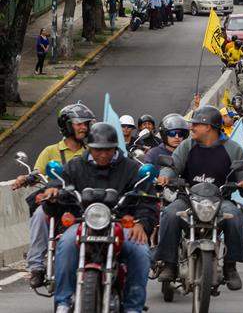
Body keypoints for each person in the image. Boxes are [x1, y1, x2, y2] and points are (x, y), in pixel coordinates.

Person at [45, 122, 156, 313]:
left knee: (141, 252)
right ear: (89, 147)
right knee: (64, 245)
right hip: (82, 222)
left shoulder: (130, 169)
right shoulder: (74, 167)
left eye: (108, 149)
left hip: (122, 223)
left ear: (116, 148)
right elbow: (59, 190)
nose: (103, 154)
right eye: (98, 150)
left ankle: (133, 307)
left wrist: (142, 224)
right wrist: (53, 195)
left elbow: (148, 201)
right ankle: (63, 302)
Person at [155, 106, 243, 291]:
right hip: (188, 198)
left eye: (195, 125)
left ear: (208, 127)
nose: (191, 128)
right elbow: (172, 165)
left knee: (235, 216)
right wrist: (166, 176)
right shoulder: (187, 145)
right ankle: (169, 262)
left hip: (220, 200)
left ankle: (230, 266)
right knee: (169, 214)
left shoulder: (233, 149)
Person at [12, 103, 93, 288]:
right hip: (56, 201)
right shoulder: (50, 151)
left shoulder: (91, 151)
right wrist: (24, 178)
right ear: (66, 125)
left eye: (86, 123)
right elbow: (36, 172)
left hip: (81, 202)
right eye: (79, 123)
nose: (84, 127)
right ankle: (36, 267)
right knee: (40, 215)